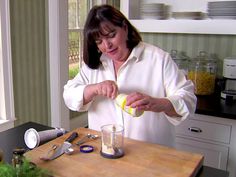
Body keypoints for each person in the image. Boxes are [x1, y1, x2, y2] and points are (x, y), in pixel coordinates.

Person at [63, 4, 196, 147]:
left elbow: (188, 99)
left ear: (125, 28)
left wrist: (157, 103)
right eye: (99, 41)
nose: (107, 46)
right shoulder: (95, 65)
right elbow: (69, 94)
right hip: (105, 154)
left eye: (111, 35)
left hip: (151, 156)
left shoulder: (159, 59)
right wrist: (94, 89)